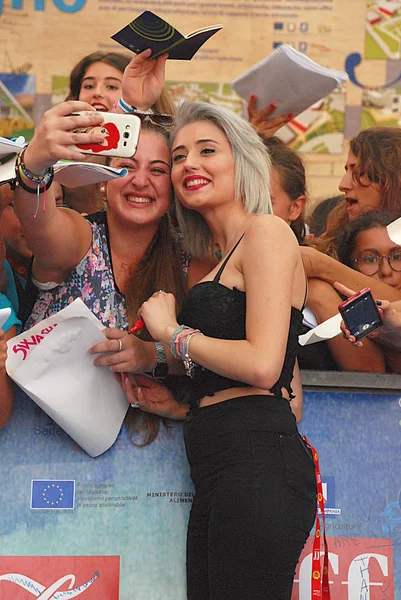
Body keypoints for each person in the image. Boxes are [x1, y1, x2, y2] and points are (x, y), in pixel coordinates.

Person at [105, 101, 316, 600]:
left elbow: (264, 367)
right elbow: (291, 392)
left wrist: (171, 333)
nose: (188, 165)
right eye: (179, 156)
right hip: (221, 464)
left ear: (242, 161)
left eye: (206, 150)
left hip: (258, 465)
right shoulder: (218, 260)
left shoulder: (268, 232)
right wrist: (172, 389)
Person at [263, 137, 307, 243]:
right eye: (244, 201)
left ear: (295, 208)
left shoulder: (308, 258)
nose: (251, 212)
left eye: (265, 203)